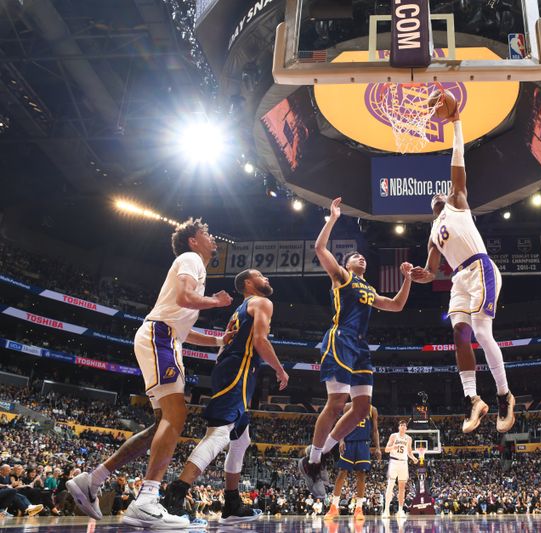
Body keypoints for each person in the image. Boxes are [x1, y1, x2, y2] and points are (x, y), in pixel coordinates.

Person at [67, 218, 233, 528]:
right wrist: (215, 302)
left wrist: (218, 340)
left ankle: (93, 479)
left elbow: (183, 326)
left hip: (166, 337)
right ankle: (145, 500)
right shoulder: (190, 258)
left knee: (162, 422)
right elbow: (185, 299)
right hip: (160, 338)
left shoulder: (196, 265)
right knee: (176, 415)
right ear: (193, 240)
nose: (212, 237)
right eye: (206, 233)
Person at [409, 101, 515, 434]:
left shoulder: (457, 201)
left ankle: (504, 395)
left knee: (483, 333)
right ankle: (473, 400)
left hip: (480, 267)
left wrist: (456, 124)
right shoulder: (431, 233)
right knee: (459, 332)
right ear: (431, 208)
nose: (438, 197)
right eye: (434, 199)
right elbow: (431, 270)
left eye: (440, 194)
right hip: (459, 279)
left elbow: (459, 162)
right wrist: (420, 275)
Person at [298, 197, 412, 498]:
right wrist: (332, 217)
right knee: (336, 403)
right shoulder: (343, 278)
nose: (361, 258)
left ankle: (319, 454)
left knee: (361, 408)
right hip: (341, 339)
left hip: (361, 347)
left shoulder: (370, 289)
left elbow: (398, 305)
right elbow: (320, 250)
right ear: (347, 264)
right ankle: (312, 462)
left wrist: (407, 279)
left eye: (363, 257)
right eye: (356, 256)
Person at [162, 269, 289, 524]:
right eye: (261, 276)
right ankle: (174, 496)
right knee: (219, 433)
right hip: (238, 369)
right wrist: (280, 369)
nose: (267, 279)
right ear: (248, 283)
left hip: (233, 368)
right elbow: (261, 340)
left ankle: (231, 502)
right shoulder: (262, 302)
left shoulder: (241, 309)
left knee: (241, 439)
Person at [325, 402, 380, 521]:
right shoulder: (348, 406)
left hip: (363, 444)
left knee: (361, 475)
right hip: (348, 443)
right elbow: (341, 425)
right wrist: (341, 441)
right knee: (342, 473)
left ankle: (359, 509)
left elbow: (375, 431)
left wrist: (378, 447)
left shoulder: (372, 409)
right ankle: (334, 507)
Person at [382, 419, 419, 517]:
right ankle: (386, 510)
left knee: (402, 489)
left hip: (403, 463)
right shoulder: (393, 436)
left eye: (404, 425)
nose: (403, 426)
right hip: (393, 462)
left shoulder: (409, 438)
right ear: (399, 427)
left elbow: (409, 452)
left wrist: (414, 458)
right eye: (401, 425)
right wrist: (392, 447)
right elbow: (386, 449)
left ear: (406, 428)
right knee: (390, 486)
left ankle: (400, 510)